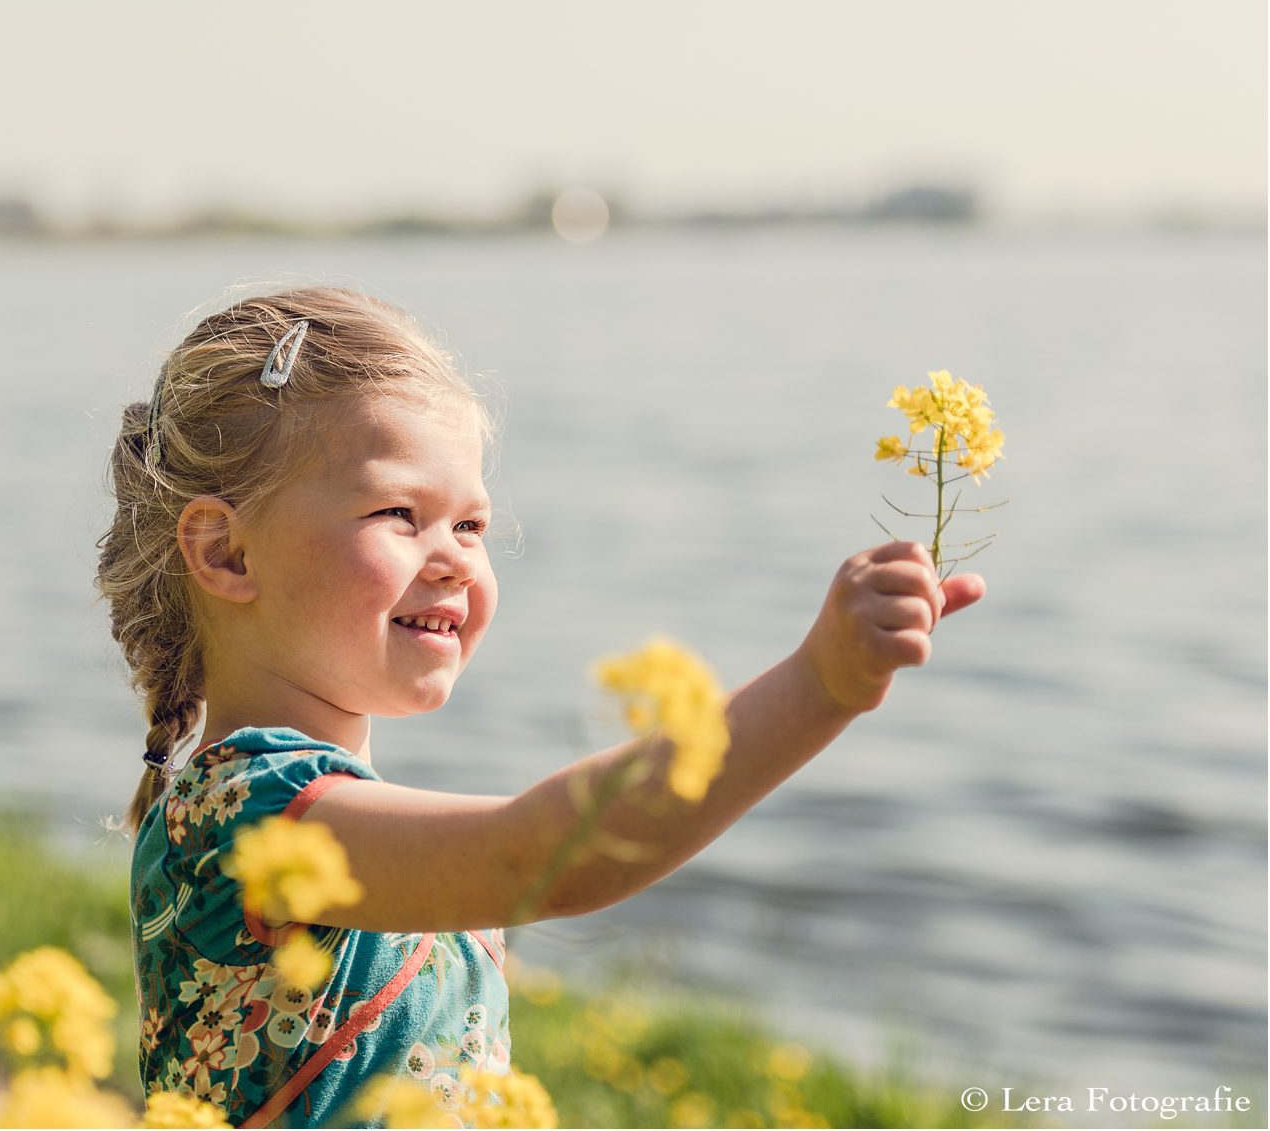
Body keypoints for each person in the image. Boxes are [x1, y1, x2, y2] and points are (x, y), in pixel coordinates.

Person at [96, 285, 985, 1128]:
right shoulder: (248, 818)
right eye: (400, 512)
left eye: (471, 525)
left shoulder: (303, 810)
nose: (452, 557)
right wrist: (817, 687)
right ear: (229, 554)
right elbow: (540, 857)